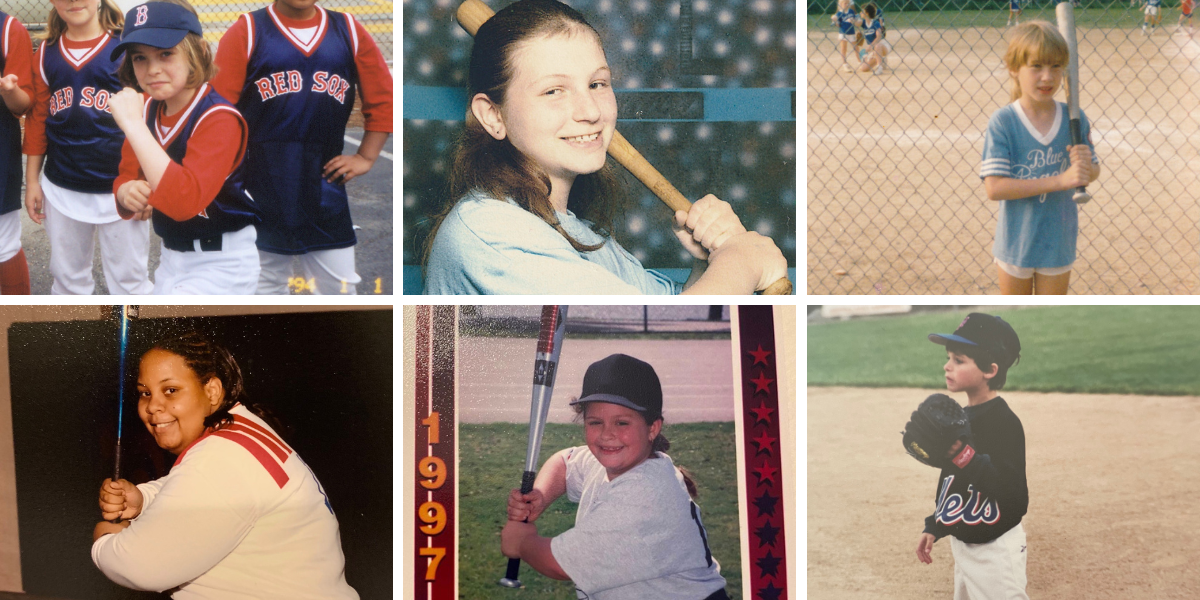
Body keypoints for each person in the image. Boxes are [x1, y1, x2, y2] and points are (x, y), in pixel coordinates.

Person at [422, 0, 787, 295]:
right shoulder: (491, 231)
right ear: (493, 116)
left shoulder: (580, 232)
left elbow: (661, 310)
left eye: (597, 84)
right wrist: (741, 264)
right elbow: (662, 334)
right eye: (554, 91)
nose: (591, 111)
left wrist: (711, 264)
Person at [91, 331, 358, 599]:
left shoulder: (219, 457)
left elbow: (141, 565)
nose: (153, 406)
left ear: (212, 392)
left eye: (170, 390)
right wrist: (144, 499)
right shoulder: (242, 429)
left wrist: (105, 541)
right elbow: (202, 484)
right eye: (145, 393)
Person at [502, 354, 729, 600]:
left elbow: (560, 565)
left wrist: (522, 542)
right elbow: (565, 462)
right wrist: (540, 496)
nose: (607, 435)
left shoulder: (645, 494)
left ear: (652, 428)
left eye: (622, 423)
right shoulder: (614, 463)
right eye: (595, 422)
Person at [210, 0, 393, 295]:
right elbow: (217, 111)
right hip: (259, 184)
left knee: (340, 287)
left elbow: (383, 98)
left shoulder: (347, 30)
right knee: (264, 283)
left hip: (324, 186)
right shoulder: (248, 30)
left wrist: (365, 155)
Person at [109, 0, 261, 294]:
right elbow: (127, 175)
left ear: (199, 52)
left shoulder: (219, 118)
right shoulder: (147, 111)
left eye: (166, 53)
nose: (152, 69)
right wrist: (126, 191)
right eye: (139, 58)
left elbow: (183, 203)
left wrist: (134, 125)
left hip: (223, 262)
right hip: (171, 258)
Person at [23, 0, 154, 295]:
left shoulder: (127, 48)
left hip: (122, 187)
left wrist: (146, 180)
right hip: (63, 185)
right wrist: (32, 180)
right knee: (68, 281)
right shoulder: (46, 53)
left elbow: (149, 119)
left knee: (131, 281)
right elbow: (38, 120)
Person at [915, 313, 1029, 600]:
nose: (947, 366)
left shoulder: (1004, 422)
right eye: (949, 357)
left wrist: (962, 455)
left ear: (990, 370)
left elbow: (1015, 496)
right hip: (965, 540)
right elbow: (951, 480)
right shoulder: (960, 419)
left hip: (995, 547)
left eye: (959, 360)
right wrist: (936, 524)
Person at [980, 22, 1100, 295]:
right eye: (1036, 66)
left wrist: (1087, 168)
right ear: (1014, 68)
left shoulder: (1074, 117)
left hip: (1058, 243)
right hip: (1015, 244)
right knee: (1016, 316)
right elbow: (995, 187)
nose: (1047, 77)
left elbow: (1092, 171)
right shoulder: (1004, 121)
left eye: (1056, 66)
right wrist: (1060, 180)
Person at [0, 10, 33, 294]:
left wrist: (8, 90)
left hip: (0, 153)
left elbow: (21, 105)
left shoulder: (9, 28)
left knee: (3, 245)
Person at [833, 0, 859, 73]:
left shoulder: (851, 11)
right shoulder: (839, 13)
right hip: (843, 33)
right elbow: (838, 25)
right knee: (843, 49)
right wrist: (835, 21)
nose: (846, 4)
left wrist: (853, 21)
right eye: (844, 3)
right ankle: (845, 64)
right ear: (840, 4)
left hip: (852, 32)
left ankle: (860, 62)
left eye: (848, 3)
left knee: (856, 47)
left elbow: (855, 20)